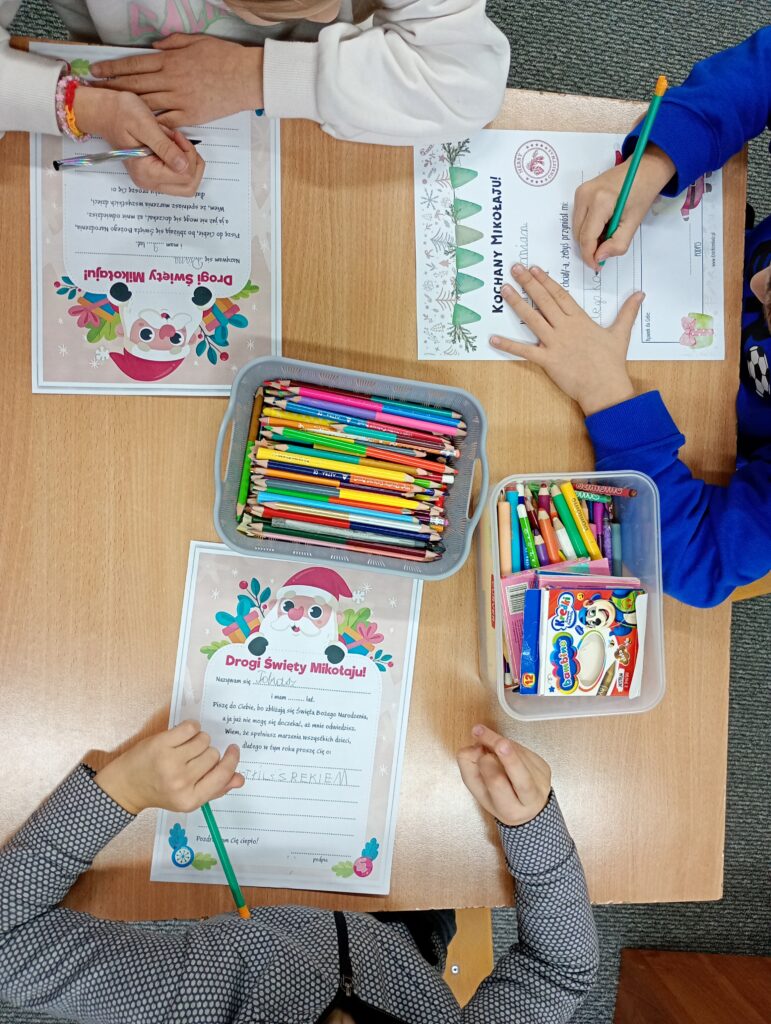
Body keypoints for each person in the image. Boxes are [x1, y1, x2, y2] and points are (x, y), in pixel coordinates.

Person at [0, 720, 598, 1022]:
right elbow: (561, 972)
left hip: (234, 898)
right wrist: (531, 826)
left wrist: (123, 790)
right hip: (406, 929)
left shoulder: (189, 1004)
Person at [490, 28, 771, 608]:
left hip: (707, 424)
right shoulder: (754, 277)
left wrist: (607, 395)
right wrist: (660, 158)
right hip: (701, 269)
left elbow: (695, 559)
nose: (759, 282)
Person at [0, 0, 509, 195]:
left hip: (305, 137)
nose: (331, 15)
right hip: (112, 77)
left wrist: (258, 75)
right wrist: (80, 106)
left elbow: (467, 86)